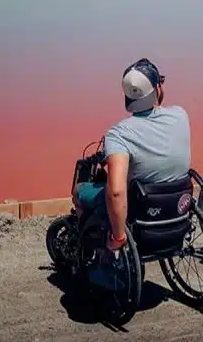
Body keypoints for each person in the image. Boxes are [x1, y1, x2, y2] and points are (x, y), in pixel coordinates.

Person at [71, 58, 192, 252]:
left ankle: (95, 248)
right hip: (177, 210)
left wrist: (118, 237)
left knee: (80, 191)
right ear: (157, 89)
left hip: (143, 213)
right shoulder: (181, 115)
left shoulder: (119, 134)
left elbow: (117, 192)